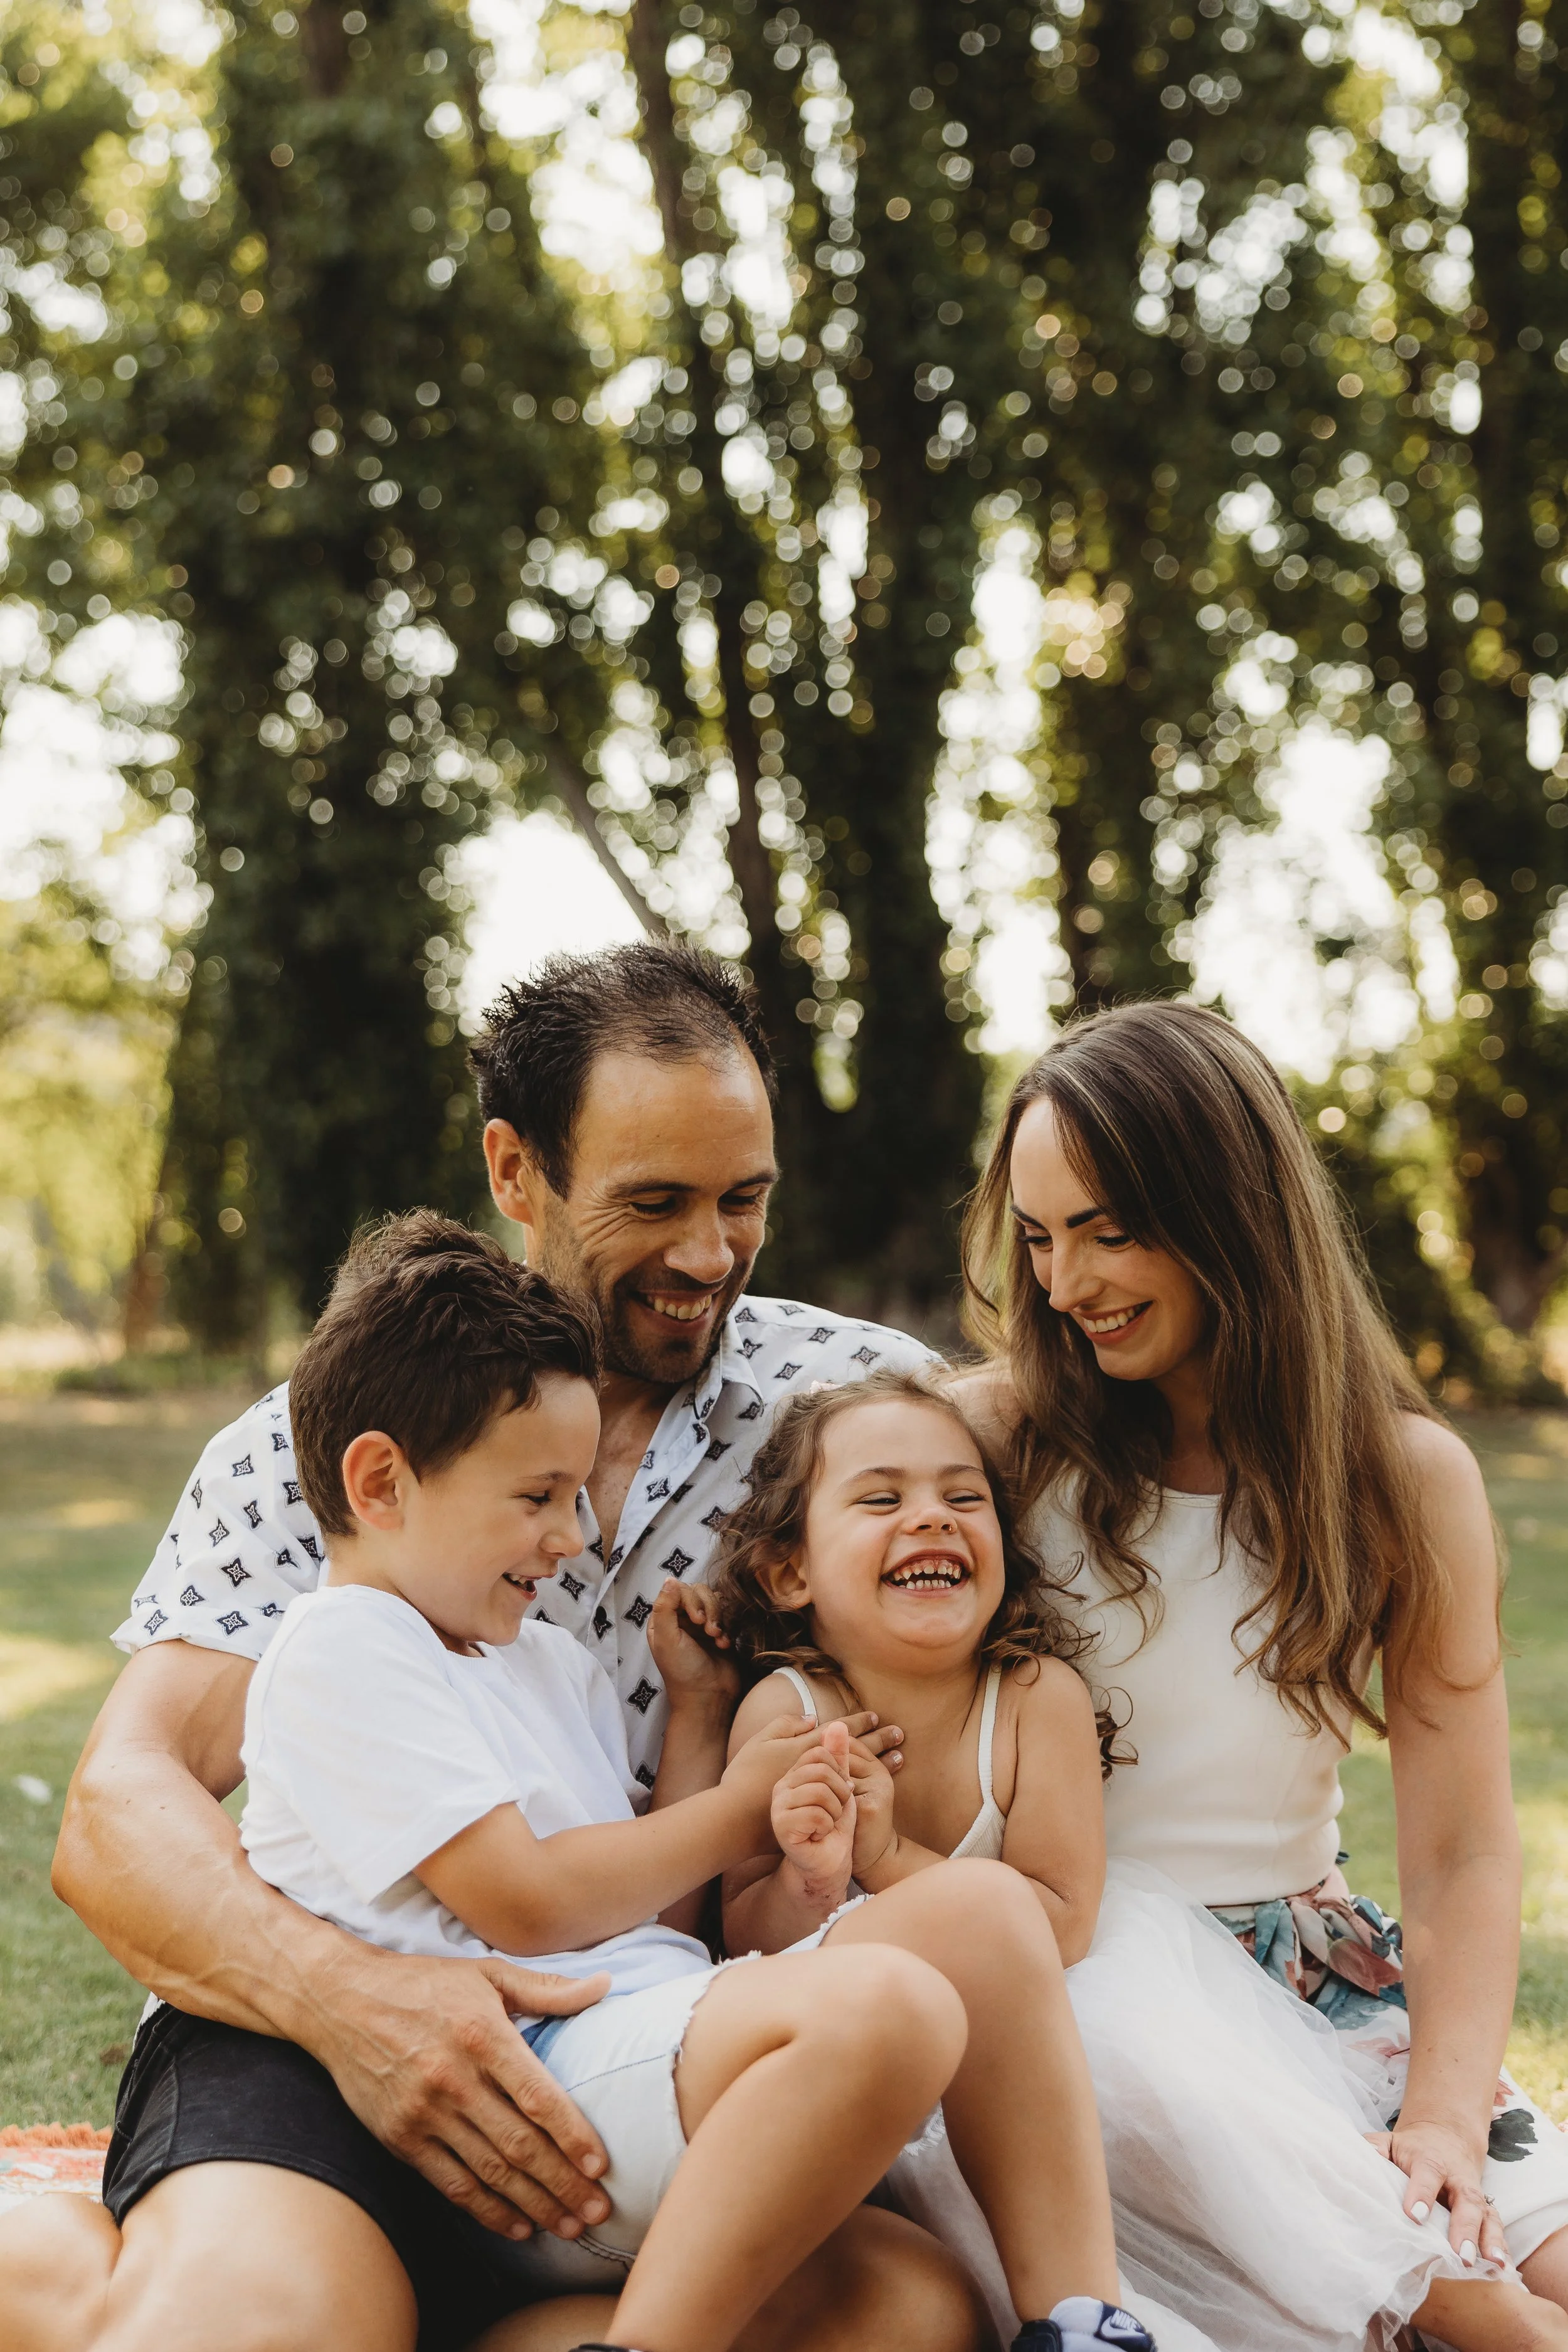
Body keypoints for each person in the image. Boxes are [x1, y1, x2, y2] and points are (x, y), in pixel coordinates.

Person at [0, 945, 979, 2352]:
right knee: (261, 2328)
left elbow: (1086, 1438)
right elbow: (115, 1812)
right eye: (653, 1203)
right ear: (516, 1171)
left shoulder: (843, 1409)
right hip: (305, 2052)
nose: (707, 1255)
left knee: (910, 2319)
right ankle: (100, 2275)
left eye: (743, 1200)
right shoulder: (320, 1449)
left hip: (615, 2046)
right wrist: (354, 2007)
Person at [227, 1210, 1158, 2352]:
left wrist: (703, 1716)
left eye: (576, 1494)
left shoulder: (545, 1658)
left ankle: (1081, 2320)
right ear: (381, 1481)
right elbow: (527, 1902)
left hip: (641, 2047)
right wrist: (739, 1806)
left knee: (924, 2274)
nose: (571, 1535)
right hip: (529, 2091)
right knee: (895, 2008)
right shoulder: (346, 1643)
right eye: (538, 1497)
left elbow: (655, 1915)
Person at [712, 1367, 1558, 2352]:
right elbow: (744, 1934)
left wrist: (890, 1853)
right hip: (924, 2080)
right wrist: (811, 1876)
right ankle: (1432, 2302)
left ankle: (1447, 2293)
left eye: (964, 1496)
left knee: (1157, 2078)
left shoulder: (1035, 1697)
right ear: (787, 1571)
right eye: (882, 1498)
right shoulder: (784, 1713)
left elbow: (1059, 1922)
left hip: (1117, 1995)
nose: (932, 1519)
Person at [950, 999, 1568, 2324]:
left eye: (1109, 1232)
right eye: (1042, 1237)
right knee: (1463, 2311)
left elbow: (1461, 1847)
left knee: (1533, 2253)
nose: (1064, 1287)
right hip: (1093, 2010)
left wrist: (1447, 2116)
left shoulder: (1403, 1482)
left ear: (1232, 1212)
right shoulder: (994, 1443)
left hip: (1315, 1982)